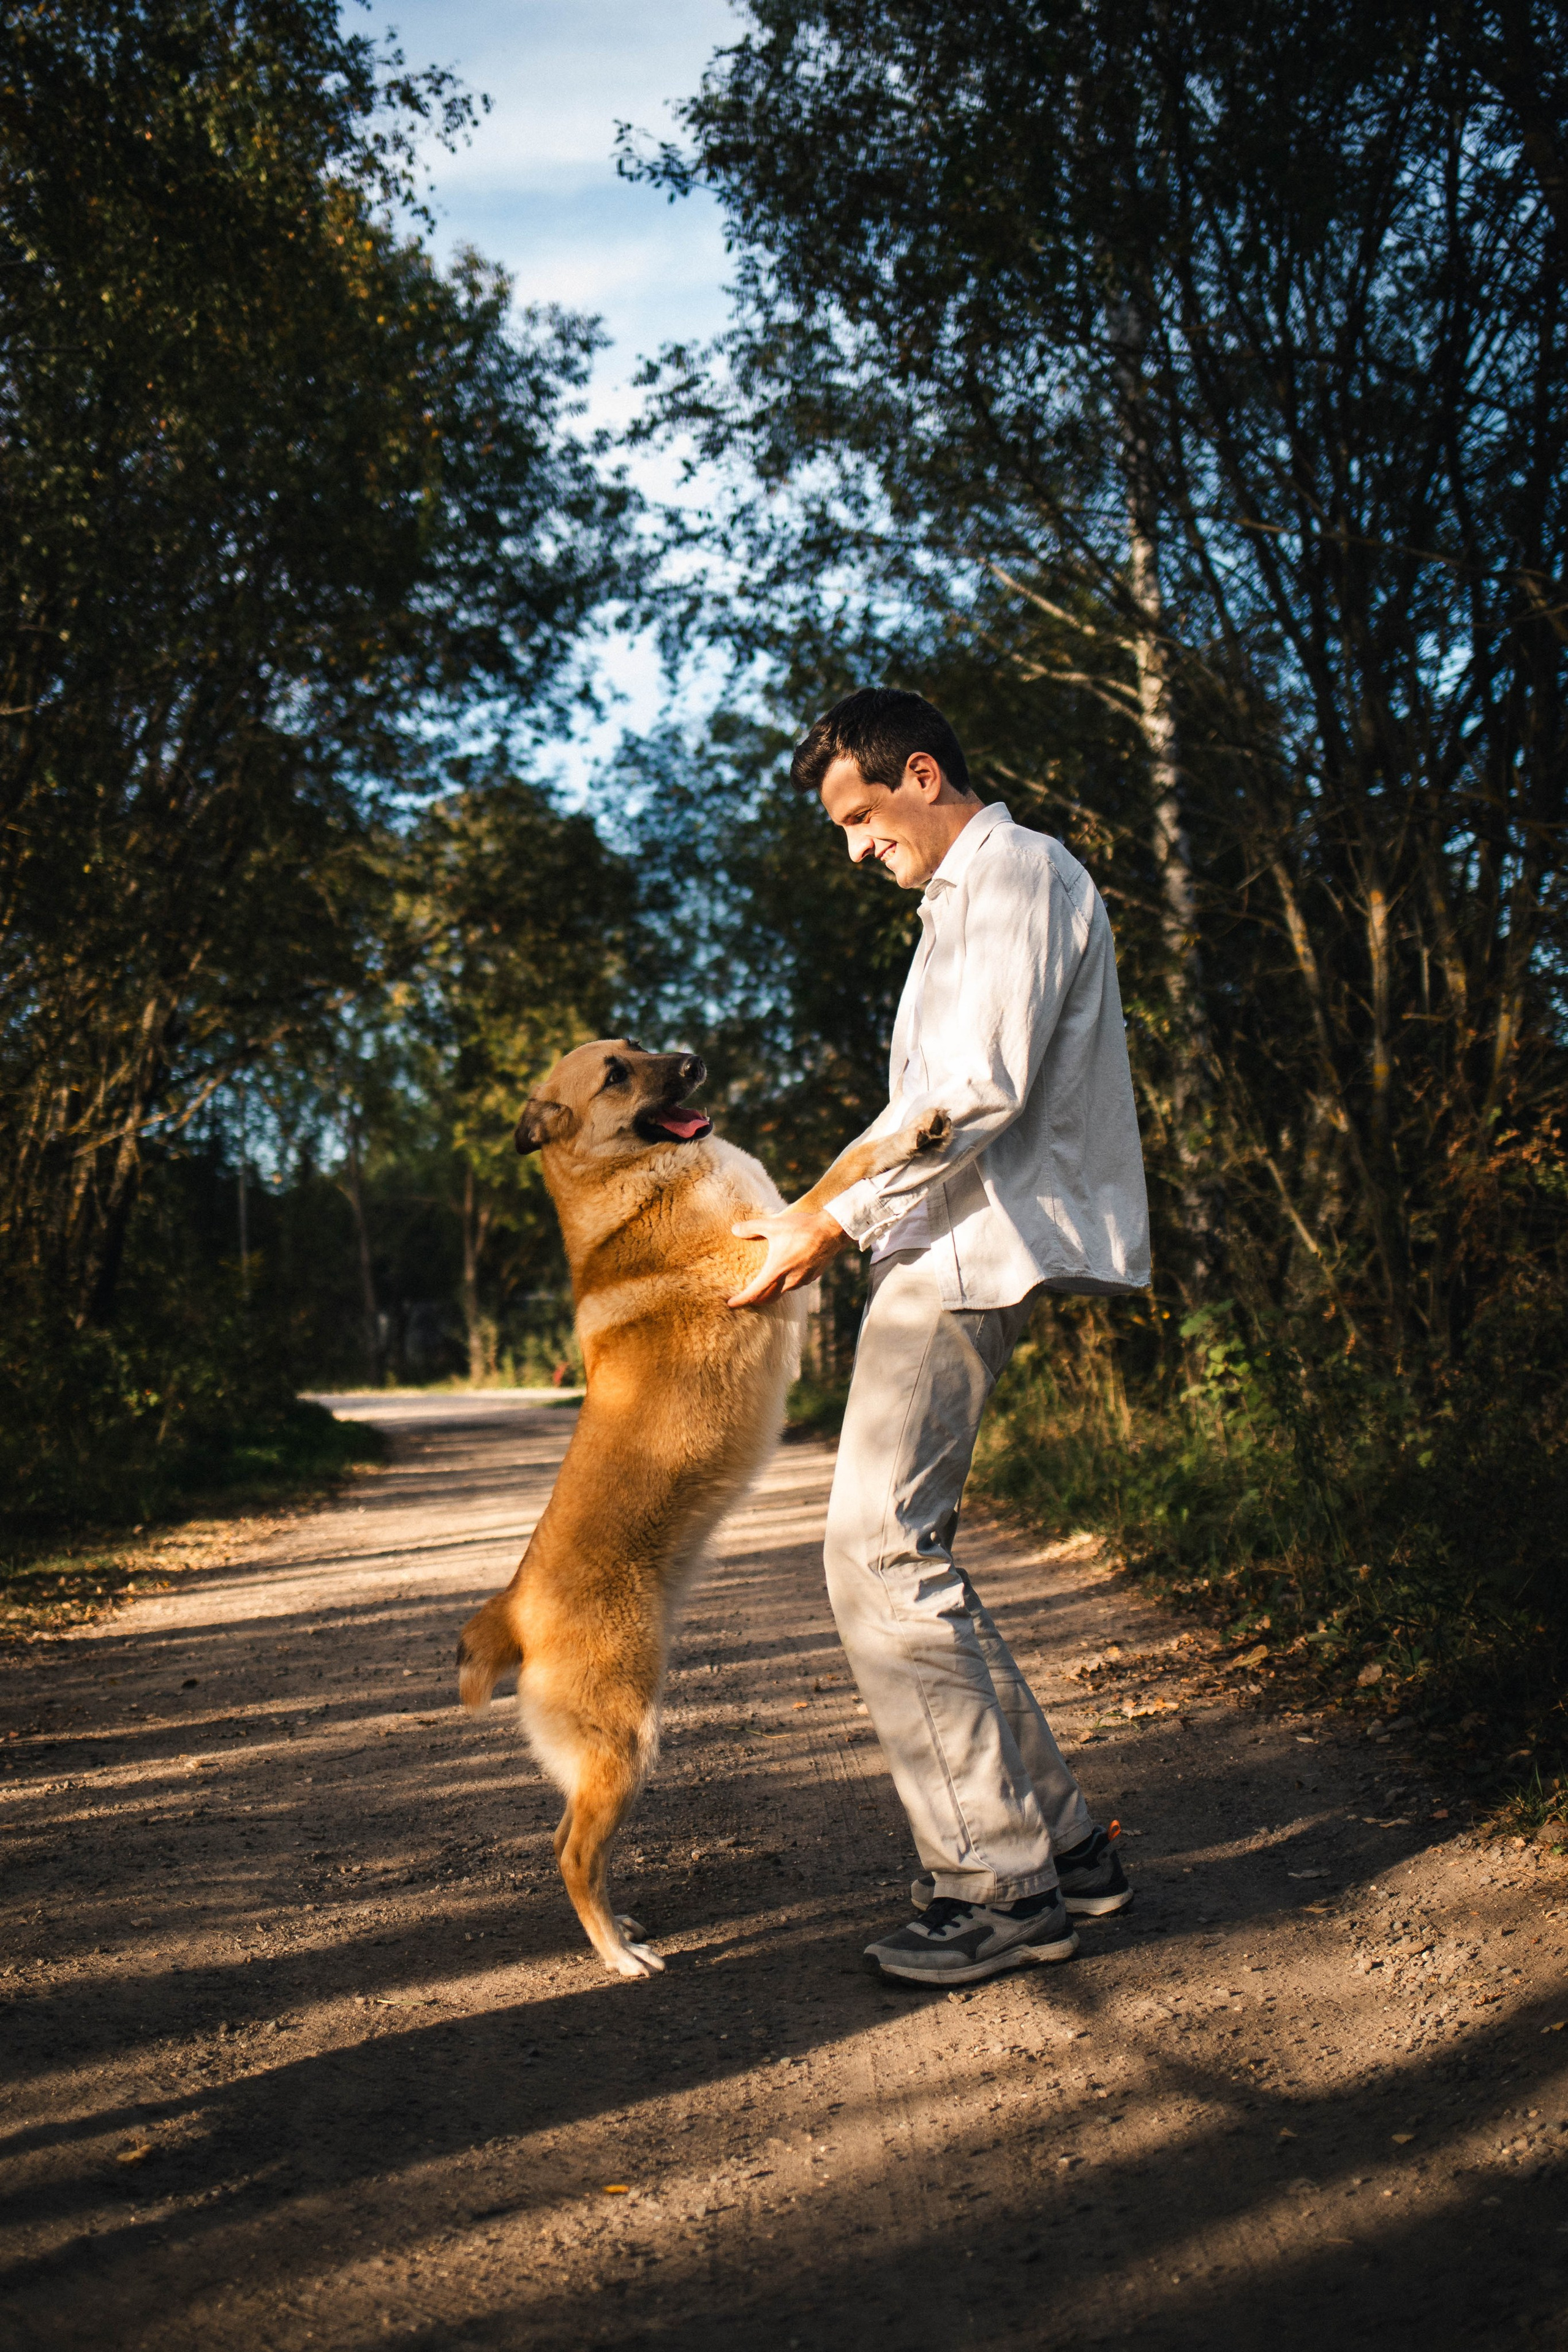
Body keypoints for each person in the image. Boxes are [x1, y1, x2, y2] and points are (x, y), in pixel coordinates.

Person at [728, 686, 1151, 1987]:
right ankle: (1065, 1852)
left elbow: (970, 1094)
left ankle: (997, 1888)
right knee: (903, 1557)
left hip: (967, 1256)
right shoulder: (958, 908)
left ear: (920, 772)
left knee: (876, 1556)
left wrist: (823, 1225)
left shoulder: (1015, 872)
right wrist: (817, 1213)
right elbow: (921, 1099)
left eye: (860, 814)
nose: (854, 845)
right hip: (942, 1249)